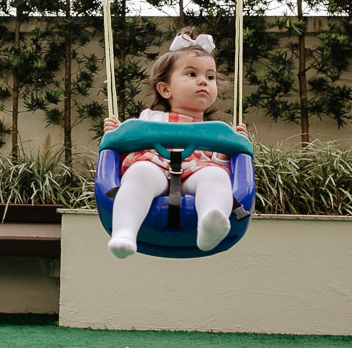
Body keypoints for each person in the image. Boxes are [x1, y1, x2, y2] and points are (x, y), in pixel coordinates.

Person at [102, 27, 248, 258]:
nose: (203, 81)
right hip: (155, 170)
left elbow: (224, 165)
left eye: (209, 77)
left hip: (196, 174)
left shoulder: (216, 131)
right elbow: (126, 144)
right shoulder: (150, 118)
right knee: (140, 173)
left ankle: (211, 221)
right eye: (192, 74)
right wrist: (115, 133)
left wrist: (235, 144)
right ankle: (124, 233)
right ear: (165, 89)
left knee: (216, 176)